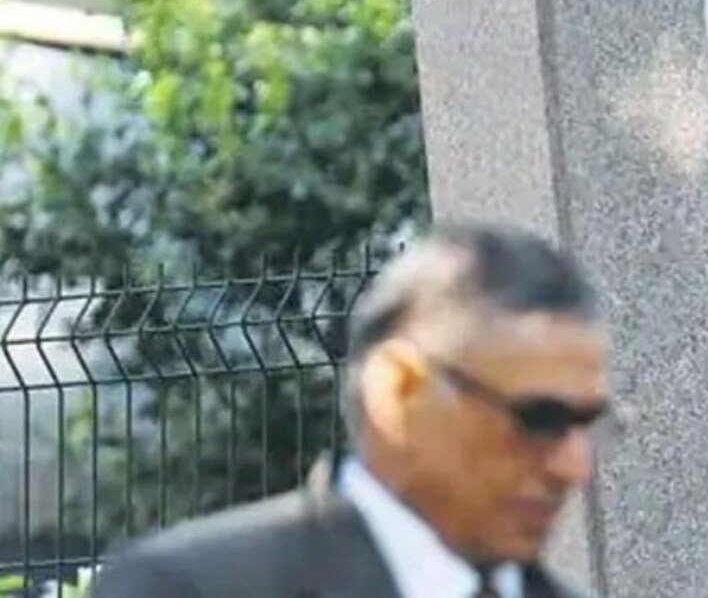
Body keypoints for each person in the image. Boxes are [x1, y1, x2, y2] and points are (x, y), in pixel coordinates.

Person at [92, 222, 611, 598]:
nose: (574, 466)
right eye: (539, 419)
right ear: (400, 390)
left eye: (586, 424)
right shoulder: (186, 589)